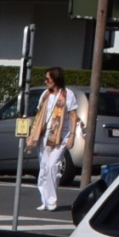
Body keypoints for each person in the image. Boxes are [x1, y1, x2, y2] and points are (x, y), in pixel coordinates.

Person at [24, 66, 84, 213]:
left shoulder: (67, 94)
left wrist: (72, 136)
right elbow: (39, 114)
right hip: (44, 136)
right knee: (44, 167)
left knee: (52, 166)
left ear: (56, 80)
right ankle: (44, 199)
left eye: (48, 79)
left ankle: (52, 200)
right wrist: (33, 134)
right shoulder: (46, 94)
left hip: (60, 137)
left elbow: (72, 116)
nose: (46, 82)